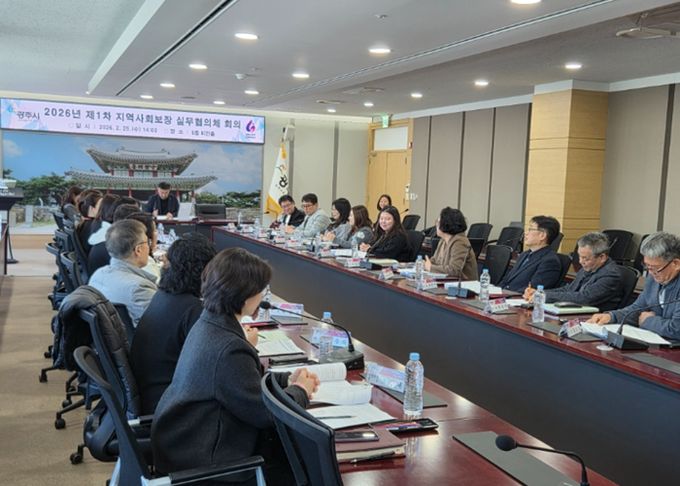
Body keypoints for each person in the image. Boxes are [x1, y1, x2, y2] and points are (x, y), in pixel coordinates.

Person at [151, 248, 319, 484]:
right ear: (245, 295)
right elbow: (267, 415)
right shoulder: (228, 348)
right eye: (262, 290)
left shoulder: (208, 322)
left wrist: (285, 380)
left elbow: (242, 385)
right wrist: (300, 391)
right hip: (208, 462)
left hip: (183, 445)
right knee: (304, 467)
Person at [131, 234, 217, 415]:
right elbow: (214, 366)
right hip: (172, 406)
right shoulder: (192, 310)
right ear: (204, 271)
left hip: (154, 394)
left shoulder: (163, 296)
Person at [589, 232, 680, 339]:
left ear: (676, 264)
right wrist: (611, 317)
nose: (650, 273)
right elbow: (638, 308)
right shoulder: (654, 278)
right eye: (647, 266)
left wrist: (647, 321)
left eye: (655, 268)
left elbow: (676, 329)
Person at [524, 232, 623, 311]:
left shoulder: (611, 275)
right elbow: (569, 289)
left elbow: (584, 298)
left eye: (585, 258)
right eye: (580, 256)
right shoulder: (587, 267)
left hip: (594, 319)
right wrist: (539, 293)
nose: (580, 261)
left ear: (602, 257)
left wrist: (545, 296)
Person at [88, 220, 157, 327]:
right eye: (147, 242)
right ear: (138, 250)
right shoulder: (140, 288)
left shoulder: (97, 275)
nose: (149, 246)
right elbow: (160, 327)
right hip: (137, 337)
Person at [499, 216, 562, 292]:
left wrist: (507, 294)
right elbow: (507, 280)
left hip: (518, 297)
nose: (525, 233)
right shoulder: (524, 254)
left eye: (530, 229)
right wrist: (497, 291)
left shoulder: (550, 261)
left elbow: (532, 290)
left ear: (542, 235)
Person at [424, 207, 478, 280]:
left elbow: (454, 270)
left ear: (446, 224)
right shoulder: (443, 240)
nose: (436, 225)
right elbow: (435, 261)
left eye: (438, 222)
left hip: (463, 284)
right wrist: (424, 264)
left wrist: (431, 267)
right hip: (447, 282)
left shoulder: (460, 242)